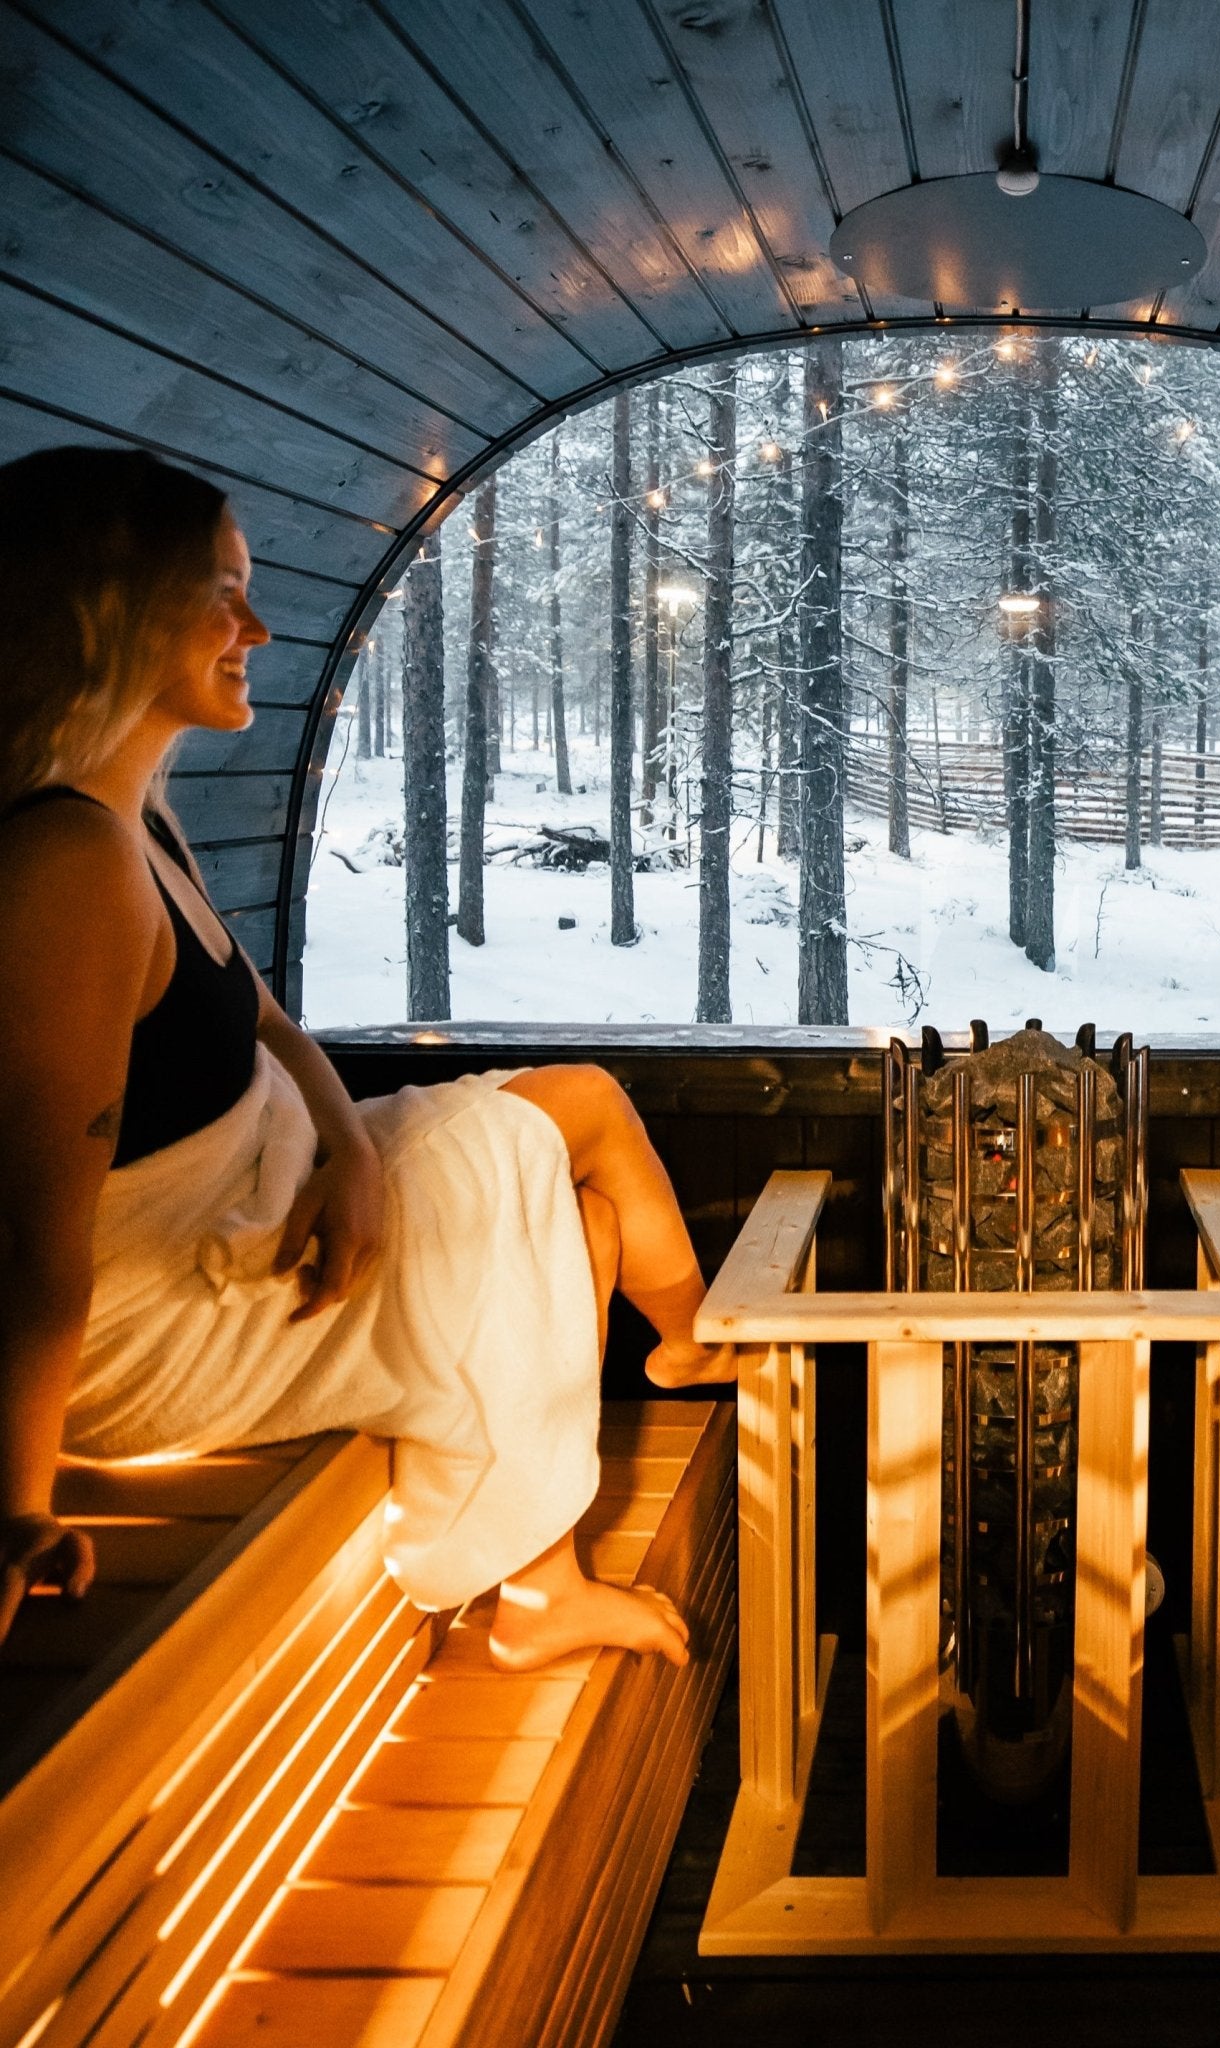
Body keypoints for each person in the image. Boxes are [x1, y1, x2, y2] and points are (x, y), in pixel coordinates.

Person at [0, 448, 732, 1664]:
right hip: (163, 1321)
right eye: (218, 593)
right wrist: (21, 1505)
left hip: (272, 1194)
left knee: (571, 1171)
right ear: (103, 606)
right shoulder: (65, 871)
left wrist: (351, 1152)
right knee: (547, 1186)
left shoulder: (133, 814)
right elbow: (33, 1240)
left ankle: (558, 1554)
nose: (260, 626)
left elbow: (268, 1021)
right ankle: (584, 1513)